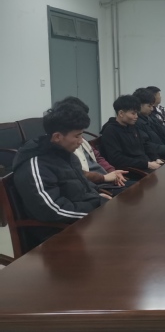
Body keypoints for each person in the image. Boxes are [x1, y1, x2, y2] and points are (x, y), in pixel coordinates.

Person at [12, 104, 110, 247]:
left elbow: (82, 184)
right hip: (58, 233)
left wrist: (98, 196)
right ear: (57, 136)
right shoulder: (35, 164)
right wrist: (95, 207)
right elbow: (52, 210)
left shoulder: (65, 153)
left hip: (80, 221)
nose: (81, 141)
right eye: (77, 136)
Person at [54, 96, 130, 194]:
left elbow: (97, 157)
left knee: (136, 188)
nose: (80, 141)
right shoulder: (62, 144)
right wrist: (104, 178)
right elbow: (78, 174)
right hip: (95, 184)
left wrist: (112, 172)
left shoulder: (81, 138)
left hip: (104, 179)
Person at [100, 95, 164, 171]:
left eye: (137, 113)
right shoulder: (110, 131)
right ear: (121, 113)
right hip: (132, 171)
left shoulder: (132, 126)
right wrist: (147, 164)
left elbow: (145, 145)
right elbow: (117, 159)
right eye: (133, 113)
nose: (136, 116)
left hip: (145, 165)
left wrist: (155, 158)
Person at [132, 88, 165, 159]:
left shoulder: (150, 118)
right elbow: (147, 146)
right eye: (149, 106)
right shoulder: (136, 122)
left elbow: (162, 136)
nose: (152, 109)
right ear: (139, 105)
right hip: (158, 156)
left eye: (152, 106)